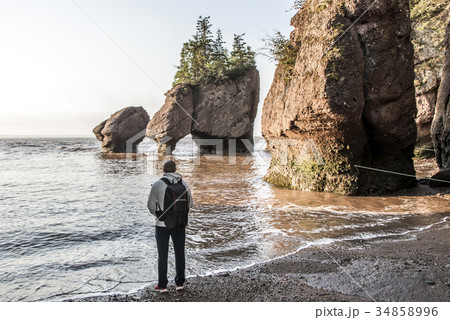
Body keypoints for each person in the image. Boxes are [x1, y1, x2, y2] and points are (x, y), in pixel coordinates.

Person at [147, 160, 193, 292]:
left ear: (163, 170)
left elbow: (150, 205)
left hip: (162, 225)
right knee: (180, 253)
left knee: (163, 254)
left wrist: (159, 215)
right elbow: (191, 204)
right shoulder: (183, 183)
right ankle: (180, 283)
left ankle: (162, 285)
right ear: (175, 169)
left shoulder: (157, 184)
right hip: (180, 224)